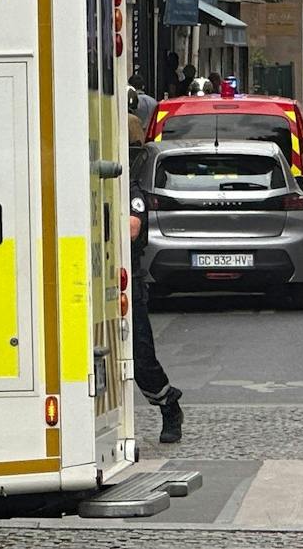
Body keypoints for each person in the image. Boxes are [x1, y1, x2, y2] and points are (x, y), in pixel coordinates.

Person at [130, 178, 184, 443]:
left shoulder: (130, 190)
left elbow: (132, 228)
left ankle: (169, 405)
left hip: (127, 284)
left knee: (141, 358)